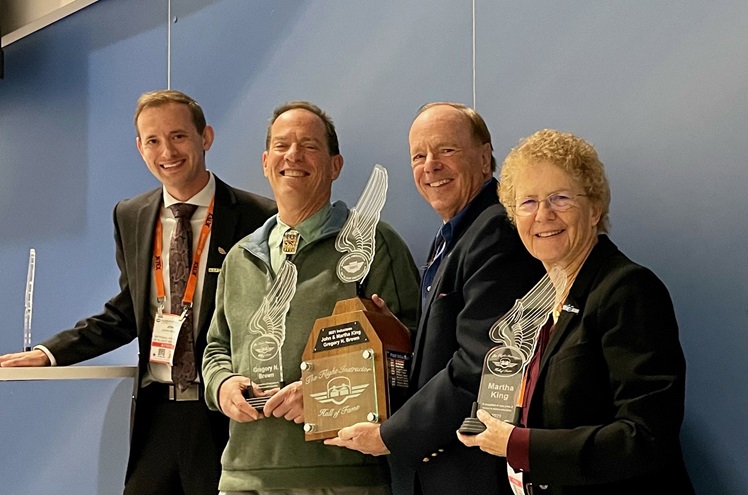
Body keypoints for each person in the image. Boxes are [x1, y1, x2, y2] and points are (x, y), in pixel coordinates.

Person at [0, 90, 276, 495]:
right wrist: (49, 353)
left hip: (224, 414)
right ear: (139, 147)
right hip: (155, 414)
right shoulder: (131, 215)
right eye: (152, 140)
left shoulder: (259, 216)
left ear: (207, 137)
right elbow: (125, 313)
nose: (167, 150)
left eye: (179, 136)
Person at [457, 129, 694, 494]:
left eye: (561, 198)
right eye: (528, 202)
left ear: (595, 207)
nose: (543, 215)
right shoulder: (542, 304)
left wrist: (518, 445)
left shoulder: (627, 289)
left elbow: (644, 436)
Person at [201, 101, 420, 495]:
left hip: (340, 478)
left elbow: (410, 356)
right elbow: (216, 347)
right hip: (243, 475)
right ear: (266, 162)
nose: (293, 156)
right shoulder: (239, 258)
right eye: (282, 145)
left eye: (309, 146)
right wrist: (222, 385)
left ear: (335, 165)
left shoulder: (374, 243)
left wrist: (322, 396)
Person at [325, 102, 545, 495]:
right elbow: (451, 346)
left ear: (484, 156)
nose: (431, 166)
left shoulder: (495, 229)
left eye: (446, 150)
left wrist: (391, 435)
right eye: (419, 156)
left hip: (477, 472)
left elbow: (483, 364)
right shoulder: (453, 236)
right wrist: (396, 340)